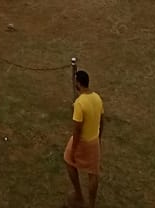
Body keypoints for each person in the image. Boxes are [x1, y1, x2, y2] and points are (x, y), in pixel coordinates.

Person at [64, 69, 103, 208]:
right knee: (93, 173)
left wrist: (74, 149)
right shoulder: (97, 98)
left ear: (78, 84)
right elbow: (101, 120)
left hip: (83, 141)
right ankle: (91, 205)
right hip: (94, 140)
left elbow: (77, 129)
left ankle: (79, 195)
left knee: (68, 160)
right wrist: (99, 137)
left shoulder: (79, 103)